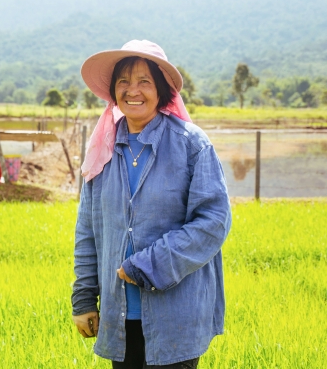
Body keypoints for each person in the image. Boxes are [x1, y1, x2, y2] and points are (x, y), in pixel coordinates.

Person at [71, 40, 232, 368]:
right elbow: (88, 229)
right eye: (124, 82)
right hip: (120, 316)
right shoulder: (103, 150)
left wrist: (146, 266)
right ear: (114, 92)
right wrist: (84, 298)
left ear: (161, 90)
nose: (133, 90)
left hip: (177, 315)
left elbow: (213, 221)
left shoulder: (192, 146)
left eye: (144, 81)